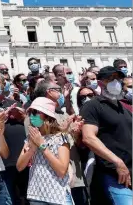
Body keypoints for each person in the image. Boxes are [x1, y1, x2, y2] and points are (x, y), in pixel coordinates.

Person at [81, 66, 132, 205]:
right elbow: (88, 137)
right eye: (110, 78)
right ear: (100, 82)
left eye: (118, 78)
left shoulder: (124, 108)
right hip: (114, 173)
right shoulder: (93, 106)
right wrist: (117, 162)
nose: (115, 82)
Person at [16, 97, 73, 205]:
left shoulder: (60, 138)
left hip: (58, 196)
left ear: (47, 116)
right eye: (31, 112)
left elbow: (61, 171)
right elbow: (19, 167)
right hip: (36, 196)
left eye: (36, 112)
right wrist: (32, 148)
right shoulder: (30, 138)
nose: (32, 115)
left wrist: (42, 145)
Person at [0, 72, 29, 205]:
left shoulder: (15, 103)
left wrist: (23, 118)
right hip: (2, 161)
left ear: (3, 84)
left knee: (27, 197)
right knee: (8, 199)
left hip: (22, 157)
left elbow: (29, 125)